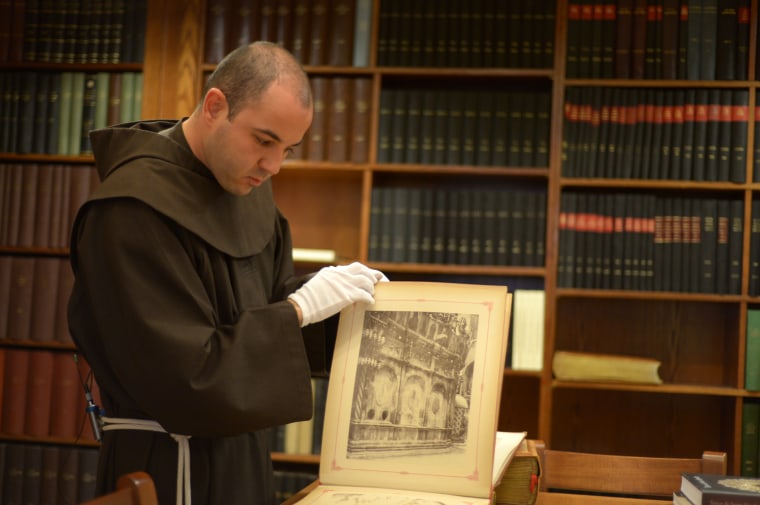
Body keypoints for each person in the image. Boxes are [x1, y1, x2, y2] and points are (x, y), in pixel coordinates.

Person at [67, 41, 386, 505]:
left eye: (288, 150)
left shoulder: (244, 186)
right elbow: (184, 377)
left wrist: (346, 311)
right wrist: (298, 309)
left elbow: (268, 308)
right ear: (216, 105)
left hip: (245, 459)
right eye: (264, 140)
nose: (273, 166)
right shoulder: (130, 210)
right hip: (169, 466)